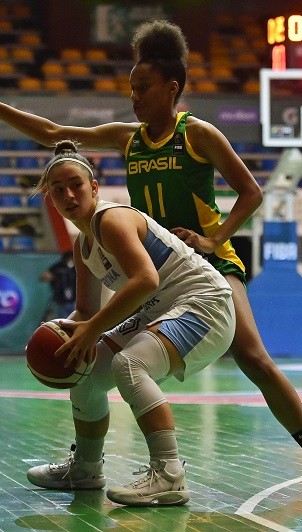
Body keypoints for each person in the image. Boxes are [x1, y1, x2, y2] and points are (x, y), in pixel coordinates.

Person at [0, 20, 302, 494]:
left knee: (253, 357)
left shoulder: (198, 134)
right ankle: (86, 462)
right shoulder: (129, 138)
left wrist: (214, 236)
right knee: (97, 361)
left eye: (143, 88)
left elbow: (251, 192)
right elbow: (55, 131)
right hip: (154, 275)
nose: (135, 97)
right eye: (131, 88)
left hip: (205, 267)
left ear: (172, 89)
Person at [27, 141, 236, 506]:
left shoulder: (112, 219)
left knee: (130, 363)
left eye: (75, 184)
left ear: (94, 188)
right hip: (160, 310)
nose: (68, 194)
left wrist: (91, 331)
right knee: (89, 374)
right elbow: (87, 311)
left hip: (205, 303)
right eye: (57, 189)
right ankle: (86, 469)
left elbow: (145, 280)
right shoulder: (82, 245)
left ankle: (169, 475)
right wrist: (58, 336)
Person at [40, 250, 76, 320]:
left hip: (74, 300)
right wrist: (55, 275)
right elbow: (43, 277)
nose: (71, 261)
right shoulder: (58, 267)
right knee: (61, 319)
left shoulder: (75, 268)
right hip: (60, 300)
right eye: (69, 259)